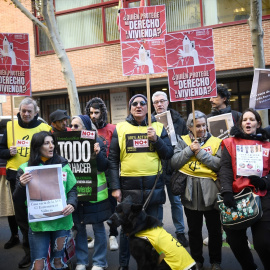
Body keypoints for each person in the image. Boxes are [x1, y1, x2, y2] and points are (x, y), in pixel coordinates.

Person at [108, 94, 174, 270]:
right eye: (134, 104)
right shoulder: (120, 128)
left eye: (142, 103)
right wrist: (115, 187)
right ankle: (123, 265)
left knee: (154, 231)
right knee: (127, 232)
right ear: (130, 108)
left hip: (154, 188)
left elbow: (168, 154)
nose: (138, 106)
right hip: (129, 189)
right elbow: (113, 160)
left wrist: (156, 140)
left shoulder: (159, 127)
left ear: (147, 107)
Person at [13, 131, 77, 270]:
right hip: (39, 224)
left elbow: (72, 189)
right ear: (37, 147)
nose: (51, 146)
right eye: (46, 143)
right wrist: (21, 185)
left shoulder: (63, 165)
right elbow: (17, 200)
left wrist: (72, 204)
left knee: (58, 263)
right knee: (38, 265)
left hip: (62, 222)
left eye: (52, 143)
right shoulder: (25, 169)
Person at [0, 97, 51, 268]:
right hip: (16, 175)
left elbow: (53, 148)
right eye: (23, 111)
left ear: (36, 112)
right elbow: (0, 150)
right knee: (21, 217)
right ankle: (29, 253)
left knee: (40, 213)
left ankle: (45, 250)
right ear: (19, 111)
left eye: (30, 111)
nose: (26, 114)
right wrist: (7, 151)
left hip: (39, 175)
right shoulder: (10, 127)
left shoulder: (45, 128)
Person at [171, 110, 223, 270]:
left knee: (214, 230)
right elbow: (174, 163)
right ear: (189, 128)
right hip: (189, 191)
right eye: (197, 126)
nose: (201, 129)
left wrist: (199, 152)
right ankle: (197, 260)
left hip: (212, 191)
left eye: (203, 125)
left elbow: (218, 164)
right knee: (194, 231)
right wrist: (189, 150)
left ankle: (216, 262)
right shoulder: (182, 141)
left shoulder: (217, 142)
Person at [219, 108, 270, 270]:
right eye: (245, 120)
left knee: (264, 243)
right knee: (235, 241)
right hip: (236, 196)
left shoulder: (267, 144)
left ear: (258, 123)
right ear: (240, 124)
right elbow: (225, 169)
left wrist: (264, 182)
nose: (248, 122)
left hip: (262, 196)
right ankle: (249, 267)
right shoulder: (229, 143)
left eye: (252, 119)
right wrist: (226, 192)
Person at [71, 115, 111, 270]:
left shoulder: (97, 140)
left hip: (96, 195)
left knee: (98, 228)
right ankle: (81, 261)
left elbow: (104, 166)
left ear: (86, 128)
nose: (73, 129)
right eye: (71, 126)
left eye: (76, 126)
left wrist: (98, 153)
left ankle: (99, 262)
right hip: (77, 194)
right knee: (79, 228)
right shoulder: (68, 143)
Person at [151, 91, 189, 247]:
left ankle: (180, 232)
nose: (159, 104)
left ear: (167, 102)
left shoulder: (179, 121)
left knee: (176, 202)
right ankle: (158, 232)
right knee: (157, 202)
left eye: (162, 101)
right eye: (156, 102)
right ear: (153, 105)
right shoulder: (149, 122)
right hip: (157, 168)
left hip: (174, 167)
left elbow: (186, 141)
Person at [85, 97, 118, 251]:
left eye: (96, 112)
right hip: (93, 175)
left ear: (103, 113)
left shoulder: (112, 128)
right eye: (91, 113)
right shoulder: (85, 131)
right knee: (95, 208)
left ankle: (113, 235)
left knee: (112, 206)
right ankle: (98, 236)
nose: (93, 116)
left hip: (110, 172)